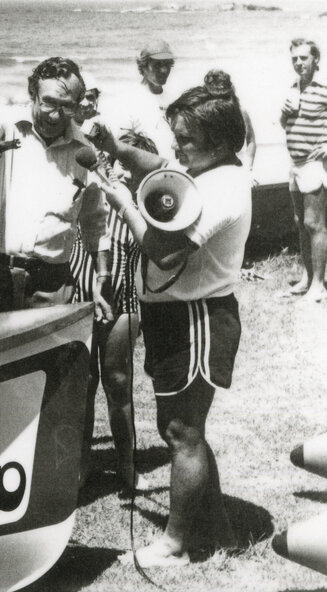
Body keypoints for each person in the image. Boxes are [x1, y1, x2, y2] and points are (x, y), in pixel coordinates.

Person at [90, 85, 250, 567]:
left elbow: (163, 251)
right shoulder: (205, 167)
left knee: (183, 432)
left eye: (186, 140)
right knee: (183, 428)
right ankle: (217, 527)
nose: (176, 149)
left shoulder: (222, 187)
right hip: (173, 314)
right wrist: (116, 148)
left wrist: (123, 205)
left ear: (220, 143)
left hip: (196, 317)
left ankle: (176, 545)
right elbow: (154, 164)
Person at [0, 57, 111, 317]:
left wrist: (102, 275)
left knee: (44, 358)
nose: (55, 114)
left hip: (50, 285)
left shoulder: (85, 152)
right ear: (32, 95)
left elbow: (96, 223)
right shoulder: (5, 123)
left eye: (67, 106)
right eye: (48, 102)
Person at [70, 130, 158, 492]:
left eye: (129, 168)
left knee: (118, 383)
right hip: (80, 296)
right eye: (115, 165)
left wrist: (128, 203)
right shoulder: (86, 194)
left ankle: (126, 462)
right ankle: (83, 462)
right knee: (83, 386)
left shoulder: (142, 209)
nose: (120, 173)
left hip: (124, 302)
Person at [280, 38, 327, 302]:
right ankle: (308, 279)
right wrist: (284, 114)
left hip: (314, 164)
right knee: (300, 223)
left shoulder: (323, 88)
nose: (299, 63)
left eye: (304, 58)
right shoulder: (293, 88)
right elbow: (285, 123)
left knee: (315, 223)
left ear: (315, 59)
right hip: (295, 164)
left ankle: (319, 285)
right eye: (295, 59)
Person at [108, 39, 178, 161]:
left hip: (174, 171)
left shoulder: (174, 100)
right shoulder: (128, 100)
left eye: (167, 64)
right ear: (143, 66)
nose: (164, 70)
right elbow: (120, 146)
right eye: (157, 65)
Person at [203, 70, 257, 182]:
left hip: (236, 167)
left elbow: (250, 140)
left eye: (223, 94)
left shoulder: (240, 112)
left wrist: (249, 169)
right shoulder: (202, 113)